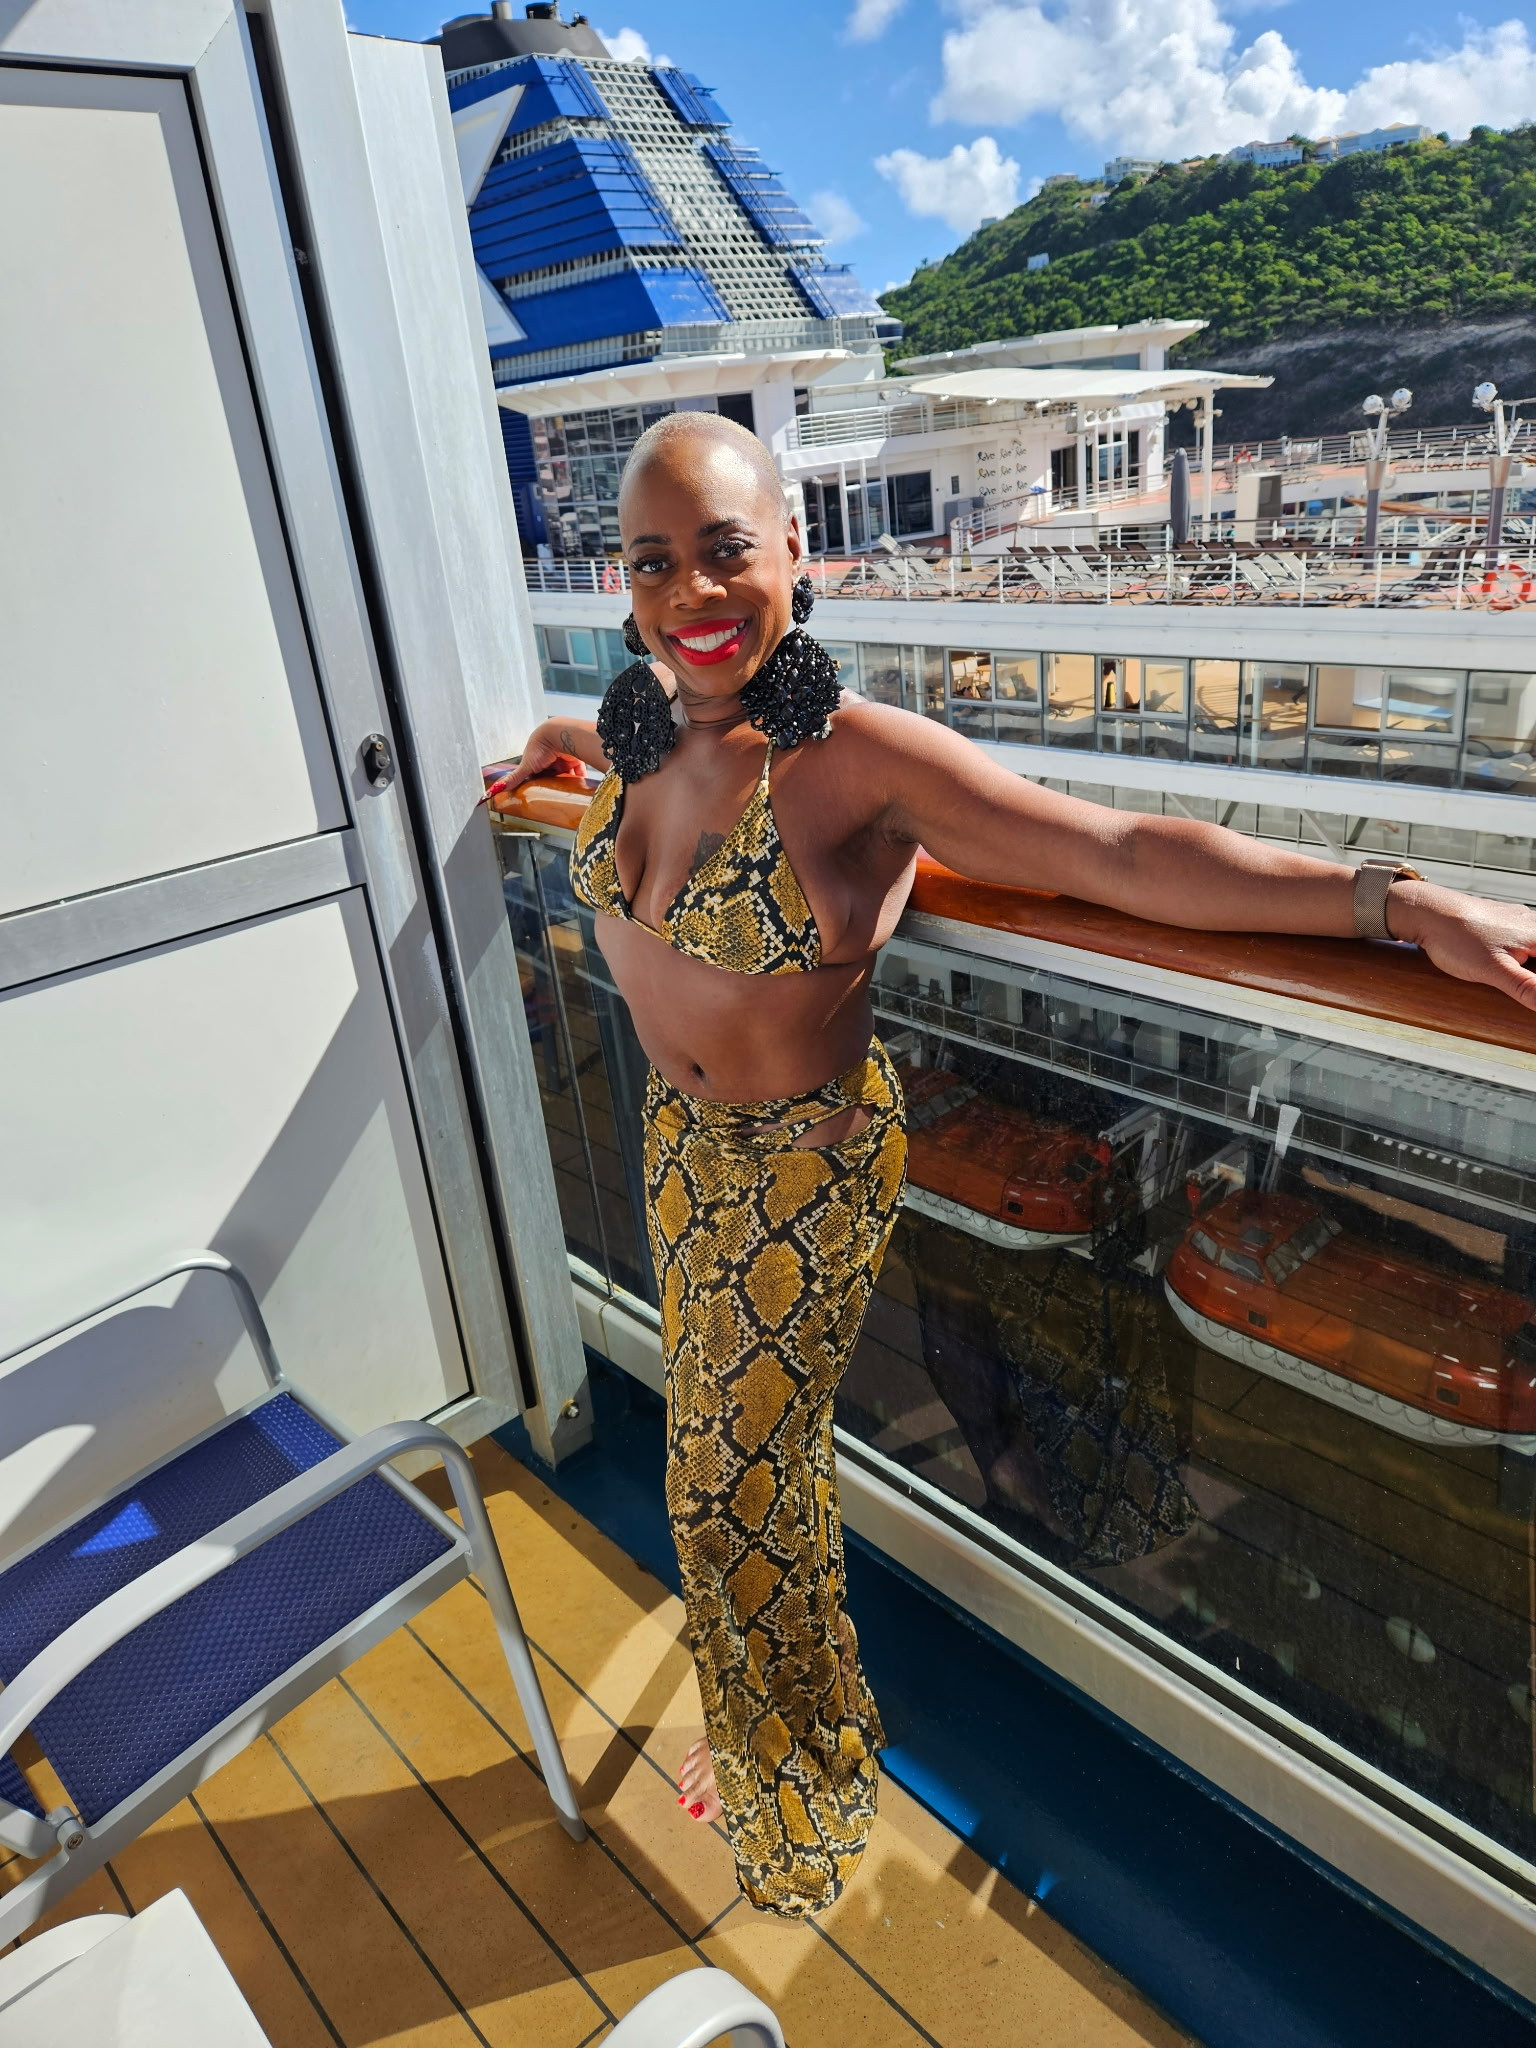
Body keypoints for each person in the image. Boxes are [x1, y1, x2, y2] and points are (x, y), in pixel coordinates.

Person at [489, 412, 1536, 1918]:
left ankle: (800, 1768)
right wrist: (559, 744)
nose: (691, 593)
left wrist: (1393, 900)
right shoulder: (649, 718)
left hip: (802, 1171)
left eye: (725, 551)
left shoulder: (852, 760)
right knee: (729, 1470)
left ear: (794, 549)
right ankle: (778, 1712)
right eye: (654, 564)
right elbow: (622, 775)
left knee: (729, 1484)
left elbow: (1114, 851)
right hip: (680, 1146)